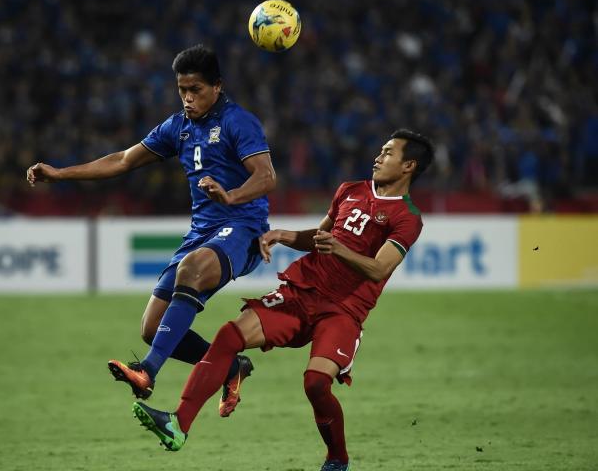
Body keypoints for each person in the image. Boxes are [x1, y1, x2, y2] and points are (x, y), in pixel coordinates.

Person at [130, 129, 434, 471]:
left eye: (388, 152)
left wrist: (340, 249)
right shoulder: (350, 191)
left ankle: (337, 458)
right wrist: (282, 235)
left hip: (344, 310)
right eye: (381, 150)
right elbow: (317, 238)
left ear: (408, 166)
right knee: (230, 335)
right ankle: (178, 424)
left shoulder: (408, 217)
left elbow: (379, 269)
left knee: (316, 384)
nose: (379, 156)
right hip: (302, 291)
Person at [26, 44, 276, 415]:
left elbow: (267, 177)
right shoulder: (178, 127)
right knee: (152, 326)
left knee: (191, 270)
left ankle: (147, 371)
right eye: (182, 90)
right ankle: (230, 367)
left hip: (243, 227)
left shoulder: (238, 123)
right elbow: (123, 160)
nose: (188, 99)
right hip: (202, 233)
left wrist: (231, 196)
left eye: (196, 91)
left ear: (218, 86)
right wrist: (61, 173)